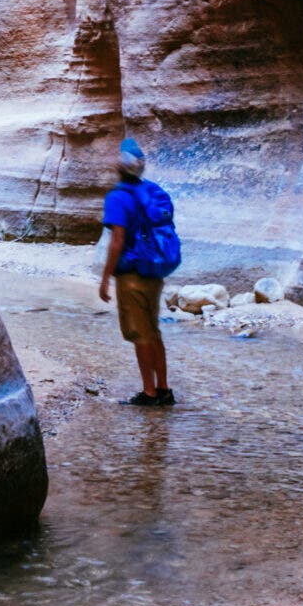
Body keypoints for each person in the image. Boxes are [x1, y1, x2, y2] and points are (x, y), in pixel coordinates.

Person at [98, 138, 180, 407]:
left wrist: (105, 278)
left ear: (121, 166)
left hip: (132, 276)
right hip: (154, 273)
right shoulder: (152, 192)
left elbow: (117, 240)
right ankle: (164, 388)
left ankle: (149, 393)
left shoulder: (118, 197)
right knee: (153, 330)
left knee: (140, 334)